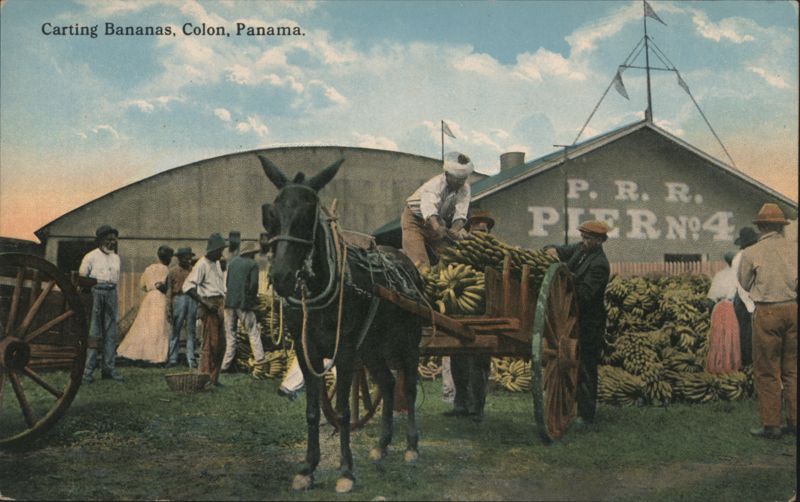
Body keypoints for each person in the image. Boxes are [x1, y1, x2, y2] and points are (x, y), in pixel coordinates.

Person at [737, 203, 797, 439]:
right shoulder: (794, 249)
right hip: (792, 308)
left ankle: (772, 424)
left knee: (767, 370)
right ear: (781, 226)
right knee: (792, 369)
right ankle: (795, 422)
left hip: (767, 311)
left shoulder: (752, 252)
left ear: (761, 226)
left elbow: (744, 283)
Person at [546, 220, 611, 424]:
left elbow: (584, 295)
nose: (584, 241)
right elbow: (559, 249)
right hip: (571, 320)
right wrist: (551, 250)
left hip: (589, 322)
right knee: (572, 365)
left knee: (586, 367)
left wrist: (567, 275)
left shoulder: (600, 264)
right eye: (583, 237)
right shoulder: (580, 249)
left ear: (600, 240)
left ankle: (586, 414)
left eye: (589, 238)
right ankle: (569, 409)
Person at [444, 210, 495, 423]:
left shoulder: (494, 251)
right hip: (460, 311)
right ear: (469, 230)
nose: (479, 234)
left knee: (479, 363)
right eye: (475, 229)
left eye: (483, 230)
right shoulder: (461, 251)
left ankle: (477, 408)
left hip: (484, 312)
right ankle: (460, 405)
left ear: (488, 232)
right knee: (457, 359)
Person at [401, 151, 474, 269]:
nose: (460, 182)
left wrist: (454, 230)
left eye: (463, 179)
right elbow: (430, 211)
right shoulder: (434, 185)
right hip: (415, 221)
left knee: (449, 258)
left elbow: (461, 213)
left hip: (437, 222)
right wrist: (437, 227)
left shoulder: (465, 188)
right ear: (447, 174)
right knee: (421, 263)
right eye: (457, 179)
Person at [80, 225, 123, 383]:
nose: (112, 242)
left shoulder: (116, 258)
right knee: (95, 332)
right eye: (108, 239)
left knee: (111, 333)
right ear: (100, 240)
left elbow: (115, 279)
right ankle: (87, 372)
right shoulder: (90, 257)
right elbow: (82, 277)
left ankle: (108, 370)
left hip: (112, 293)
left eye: (114, 239)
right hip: (96, 292)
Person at [117, 245, 174, 365]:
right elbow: (166, 288)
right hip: (159, 298)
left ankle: (141, 353)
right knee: (157, 325)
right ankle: (155, 355)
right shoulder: (166, 269)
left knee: (145, 325)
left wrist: (151, 287)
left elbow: (142, 285)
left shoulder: (149, 268)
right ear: (168, 258)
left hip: (149, 297)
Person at [184, 233, 227, 386]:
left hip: (219, 304)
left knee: (221, 345)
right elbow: (187, 287)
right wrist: (205, 303)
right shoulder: (201, 264)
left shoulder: (216, 263)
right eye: (220, 251)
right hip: (209, 305)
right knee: (210, 343)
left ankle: (213, 378)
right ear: (213, 250)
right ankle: (203, 378)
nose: (221, 254)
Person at [221, 241, 267, 373]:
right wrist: (252, 301)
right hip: (244, 304)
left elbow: (228, 283)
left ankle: (225, 365)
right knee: (253, 332)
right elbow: (254, 285)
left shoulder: (232, 263)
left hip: (229, 302)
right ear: (250, 253)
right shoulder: (252, 264)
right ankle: (260, 361)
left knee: (230, 334)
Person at [705, 252, 741, 373]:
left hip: (718, 308)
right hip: (732, 308)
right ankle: (730, 367)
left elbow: (711, 299)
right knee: (731, 338)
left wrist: (709, 313)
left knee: (718, 338)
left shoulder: (719, 275)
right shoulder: (739, 275)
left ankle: (717, 366)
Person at [731, 227, 758, 366]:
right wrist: (750, 306)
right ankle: (747, 364)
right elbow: (740, 285)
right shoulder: (740, 258)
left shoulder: (753, 255)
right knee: (746, 334)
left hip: (753, 299)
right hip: (744, 300)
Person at [167, 247, 198, 368]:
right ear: (179, 258)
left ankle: (191, 358)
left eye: (189, 257)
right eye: (184, 257)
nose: (187, 260)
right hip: (178, 298)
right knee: (176, 328)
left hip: (192, 299)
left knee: (191, 329)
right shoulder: (172, 271)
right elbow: (169, 289)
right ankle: (173, 358)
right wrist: (168, 306)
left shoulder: (194, 271)